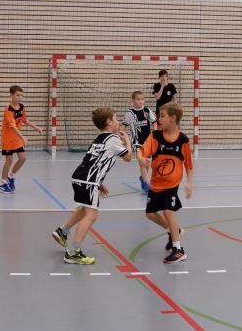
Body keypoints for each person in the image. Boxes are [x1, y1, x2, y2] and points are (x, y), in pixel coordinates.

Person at [51, 108, 133, 265]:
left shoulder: (99, 138)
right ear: (109, 122)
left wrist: (99, 182)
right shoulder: (113, 139)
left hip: (80, 177)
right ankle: (73, 252)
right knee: (92, 215)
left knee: (85, 208)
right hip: (89, 180)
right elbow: (128, 157)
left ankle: (62, 231)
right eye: (116, 118)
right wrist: (127, 141)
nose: (118, 122)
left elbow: (92, 161)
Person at [137, 102, 194, 264]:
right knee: (150, 214)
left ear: (173, 118)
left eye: (162, 116)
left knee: (168, 212)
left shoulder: (182, 140)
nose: (159, 119)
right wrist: (141, 159)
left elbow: (188, 164)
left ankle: (178, 250)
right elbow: (142, 151)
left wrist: (189, 183)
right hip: (156, 183)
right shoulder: (155, 136)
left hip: (172, 185)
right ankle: (174, 231)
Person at [0, 85, 43, 194]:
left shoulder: (22, 107)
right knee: (9, 160)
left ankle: (11, 177)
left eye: (21, 95)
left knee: (23, 158)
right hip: (8, 139)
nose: (20, 97)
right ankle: (2, 183)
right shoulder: (8, 110)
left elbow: (25, 120)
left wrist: (36, 128)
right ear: (11, 95)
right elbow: (13, 127)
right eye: (17, 95)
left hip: (17, 138)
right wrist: (23, 137)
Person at [123, 91, 157, 193]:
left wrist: (155, 132)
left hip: (148, 141)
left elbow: (154, 122)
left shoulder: (147, 111)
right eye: (138, 99)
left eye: (142, 99)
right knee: (142, 162)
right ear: (133, 101)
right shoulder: (129, 113)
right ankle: (146, 183)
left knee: (147, 163)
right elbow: (123, 127)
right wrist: (123, 138)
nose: (140, 101)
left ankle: (143, 178)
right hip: (136, 141)